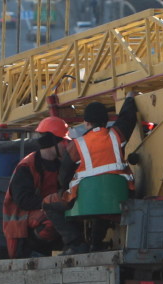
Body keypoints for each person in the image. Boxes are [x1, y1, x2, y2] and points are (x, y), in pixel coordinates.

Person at [48, 95, 140, 253]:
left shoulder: (77, 145)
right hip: (119, 197)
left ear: (86, 122)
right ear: (105, 121)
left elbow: (64, 174)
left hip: (89, 201)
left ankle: (75, 243)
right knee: (104, 207)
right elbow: (128, 118)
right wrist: (129, 99)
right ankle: (95, 243)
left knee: (48, 204)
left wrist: (63, 188)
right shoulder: (116, 135)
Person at [1, 117, 70, 259]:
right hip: (21, 232)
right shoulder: (27, 167)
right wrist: (51, 202)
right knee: (51, 220)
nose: (66, 145)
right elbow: (24, 200)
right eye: (64, 141)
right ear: (52, 142)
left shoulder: (59, 166)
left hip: (41, 221)